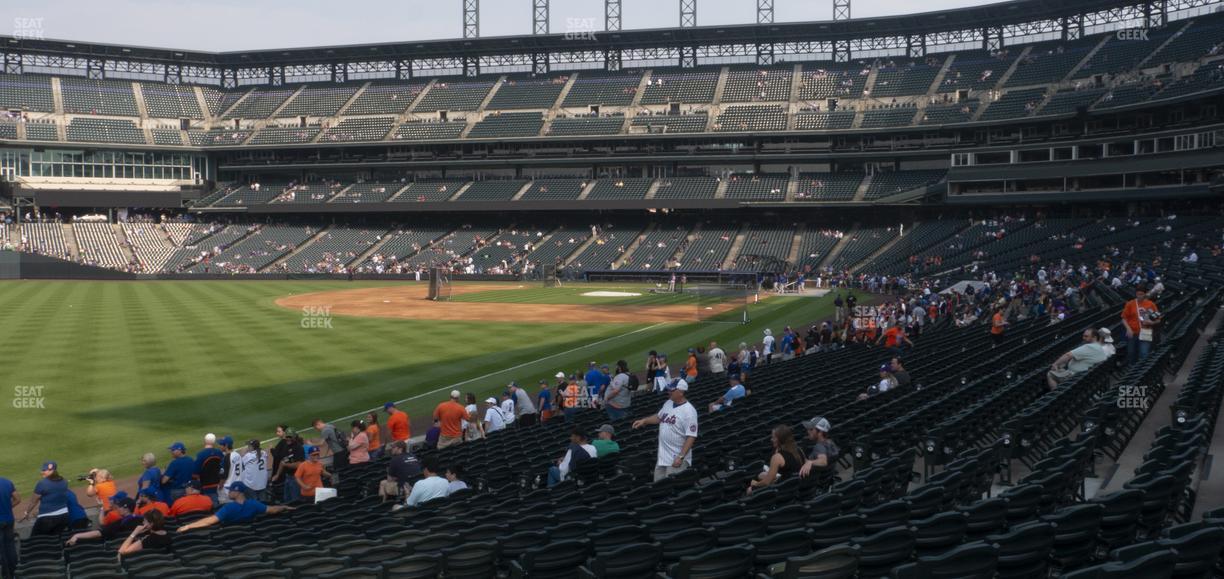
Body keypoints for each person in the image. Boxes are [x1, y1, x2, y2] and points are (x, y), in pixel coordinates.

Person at [633, 379, 698, 482]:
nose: (669, 392)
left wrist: (681, 457)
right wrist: (645, 421)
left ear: (681, 392)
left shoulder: (689, 412)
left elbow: (691, 436)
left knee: (672, 488)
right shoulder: (668, 403)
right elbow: (659, 417)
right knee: (659, 488)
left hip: (677, 458)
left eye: (672, 390)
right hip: (663, 457)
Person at [177, 482, 292, 532]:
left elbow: (209, 521)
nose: (228, 493)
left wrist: (188, 526)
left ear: (237, 492)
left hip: (230, 536)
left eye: (230, 491)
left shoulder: (229, 508)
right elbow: (272, 510)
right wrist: (284, 507)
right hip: (247, 533)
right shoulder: (254, 504)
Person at [747, 425, 804, 494]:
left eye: (773, 438)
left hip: (783, 490)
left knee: (750, 489)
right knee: (761, 475)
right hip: (794, 485)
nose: (771, 439)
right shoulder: (799, 450)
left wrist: (754, 484)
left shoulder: (777, 457)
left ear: (780, 439)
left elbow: (766, 483)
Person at [64, 496, 140, 546]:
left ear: (126, 508)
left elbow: (98, 533)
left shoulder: (119, 523)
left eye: (119, 507)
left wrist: (77, 535)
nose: (117, 508)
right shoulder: (140, 519)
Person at [22, 461, 71, 536]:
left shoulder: (42, 483)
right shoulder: (64, 482)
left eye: (44, 470)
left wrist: (27, 512)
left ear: (52, 471)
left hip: (47, 518)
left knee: (36, 540)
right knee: (55, 541)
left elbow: (33, 501)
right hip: (64, 516)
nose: (42, 472)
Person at [1121, 285, 1161, 365]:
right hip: (1133, 332)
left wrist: (1152, 323)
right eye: (1138, 294)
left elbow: (1158, 319)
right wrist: (1128, 329)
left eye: (1141, 294)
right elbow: (1123, 319)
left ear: (1145, 294)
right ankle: (1132, 370)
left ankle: (1140, 372)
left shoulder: (1151, 304)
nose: (1140, 296)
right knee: (1131, 353)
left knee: (1144, 354)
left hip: (1145, 332)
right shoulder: (1130, 304)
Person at [271, 426, 305, 504]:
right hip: (288, 477)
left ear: (294, 437)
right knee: (287, 500)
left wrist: (286, 465)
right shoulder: (286, 446)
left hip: (296, 478)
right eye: (287, 436)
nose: (288, 438)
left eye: (290, 437)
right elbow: (283, 461)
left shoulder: (298, 448)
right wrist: (277, 475)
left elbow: (299, 464)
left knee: (295, 501)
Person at [193, 434, 226, 502]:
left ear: (205, 441)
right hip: (218, 484)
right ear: (214, 442)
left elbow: (195, 473)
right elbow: (223, 468)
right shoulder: (219, 453)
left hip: (205, 486)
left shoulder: (201, 454)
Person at [0, 475, 18, 579]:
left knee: (1, 550)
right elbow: (17, 499)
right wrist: (7, 507)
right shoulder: (7, 482)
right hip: (9, 519)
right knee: (10, 547)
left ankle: (7, 576)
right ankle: (15, 572)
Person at [219, 435, 242, 504]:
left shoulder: (227, 458)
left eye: (221, 444)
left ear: (226, 445)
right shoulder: (237, 455)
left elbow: (224, 475)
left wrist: (220, 485)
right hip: (238, 486)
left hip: (228, 489)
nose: (219, 446)